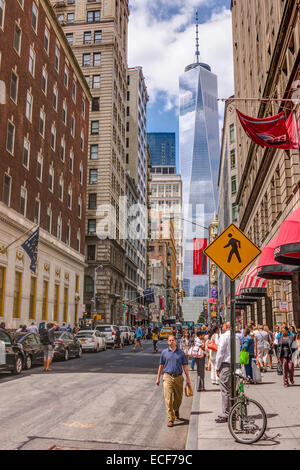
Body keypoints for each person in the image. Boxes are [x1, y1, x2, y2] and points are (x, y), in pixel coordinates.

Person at [156, 335, 191, 427]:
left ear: (175, 341)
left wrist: (188, 378)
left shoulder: (181, 353)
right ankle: (170, 419)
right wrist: (158, 378)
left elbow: (185, 366)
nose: (171, 342)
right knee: (168, 399)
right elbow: (161, 366)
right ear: (168, 342)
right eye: (169, 340)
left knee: (178, 398)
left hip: (179, 377)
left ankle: (176, 409)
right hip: (167, 377)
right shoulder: (164, 353)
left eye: (172, 340)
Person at [215, 322, 240, 423]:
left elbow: (220, 352)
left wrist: (217, 367)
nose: (222, 327)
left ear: (227, 327)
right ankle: (233, 412)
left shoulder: (224, 336)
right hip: (235, 364)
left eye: (223, 326)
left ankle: (226, 414)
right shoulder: (236, 337)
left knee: (225, 390)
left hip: (226, 365)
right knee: (233, 389)